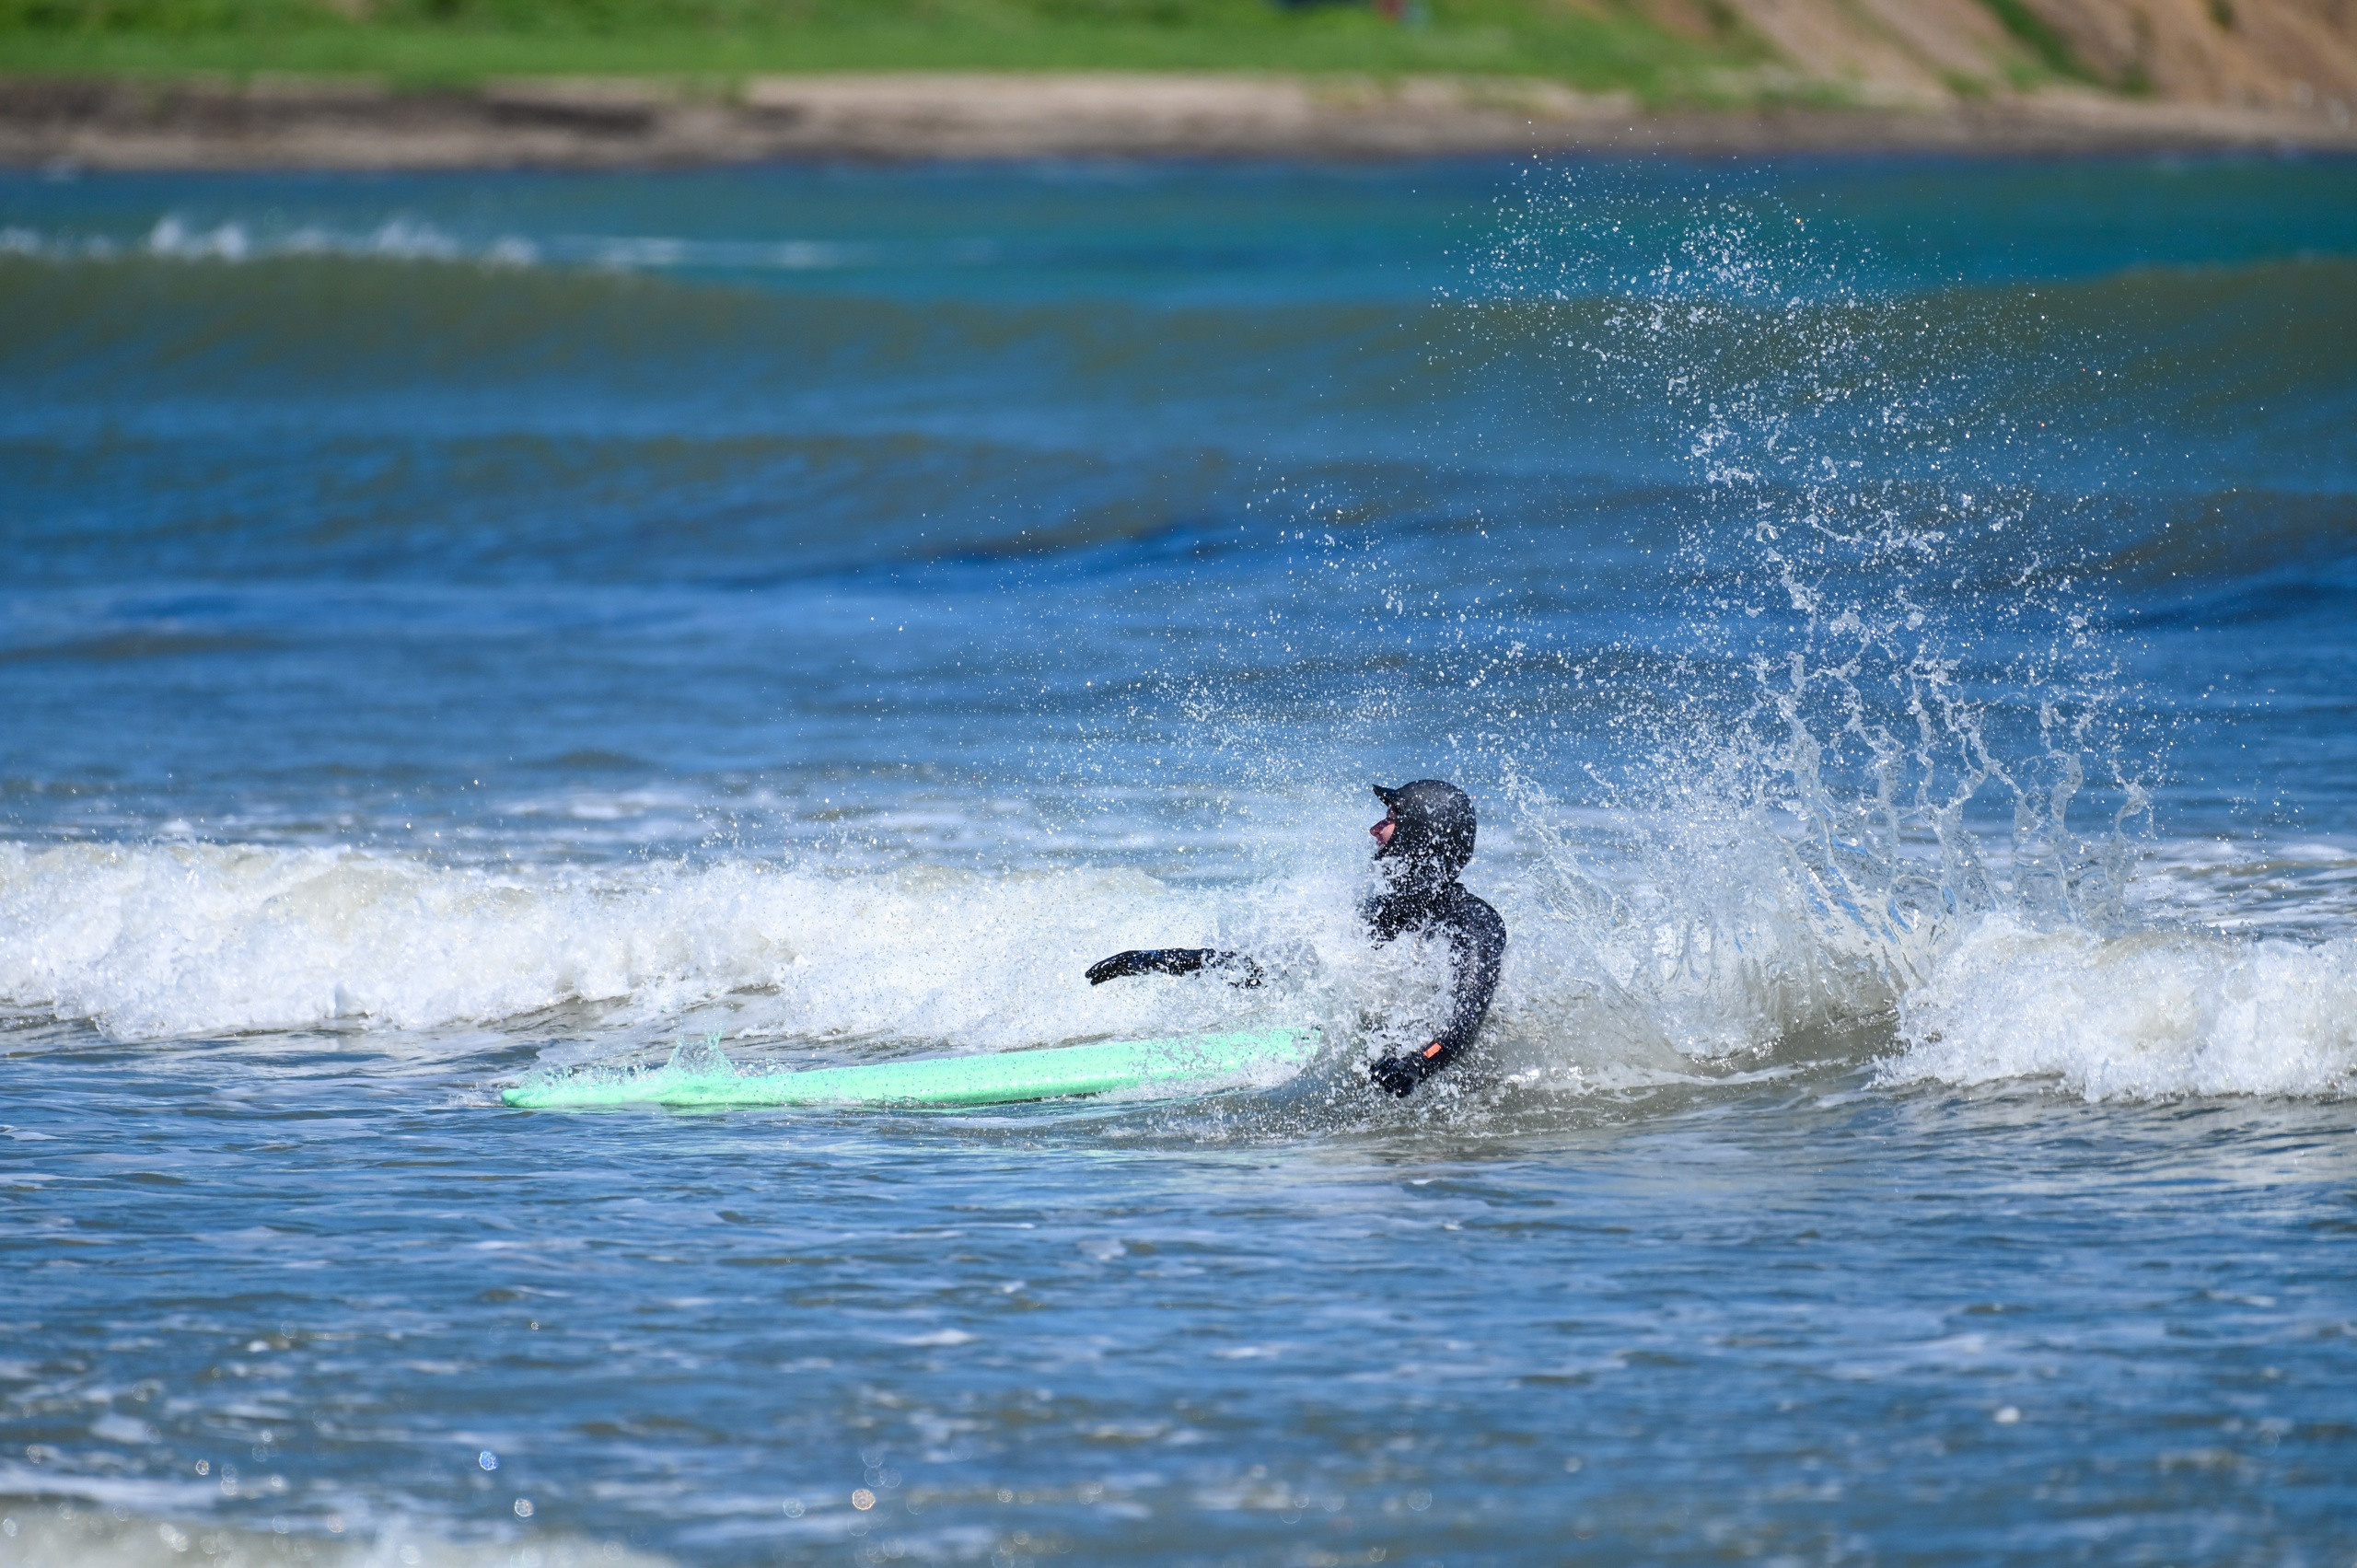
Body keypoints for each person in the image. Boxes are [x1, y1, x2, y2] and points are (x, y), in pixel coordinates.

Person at [1084, 780, 1505, 1097]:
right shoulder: (1379, 913)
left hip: (1456, 1087)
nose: (1374, 829)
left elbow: (1463, 1029)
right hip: (1394, 1074)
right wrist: (1158, 959)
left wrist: (1416, 1064)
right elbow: (1270, 971)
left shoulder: (1473, 926)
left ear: (1420, 835)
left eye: (1391, 819)